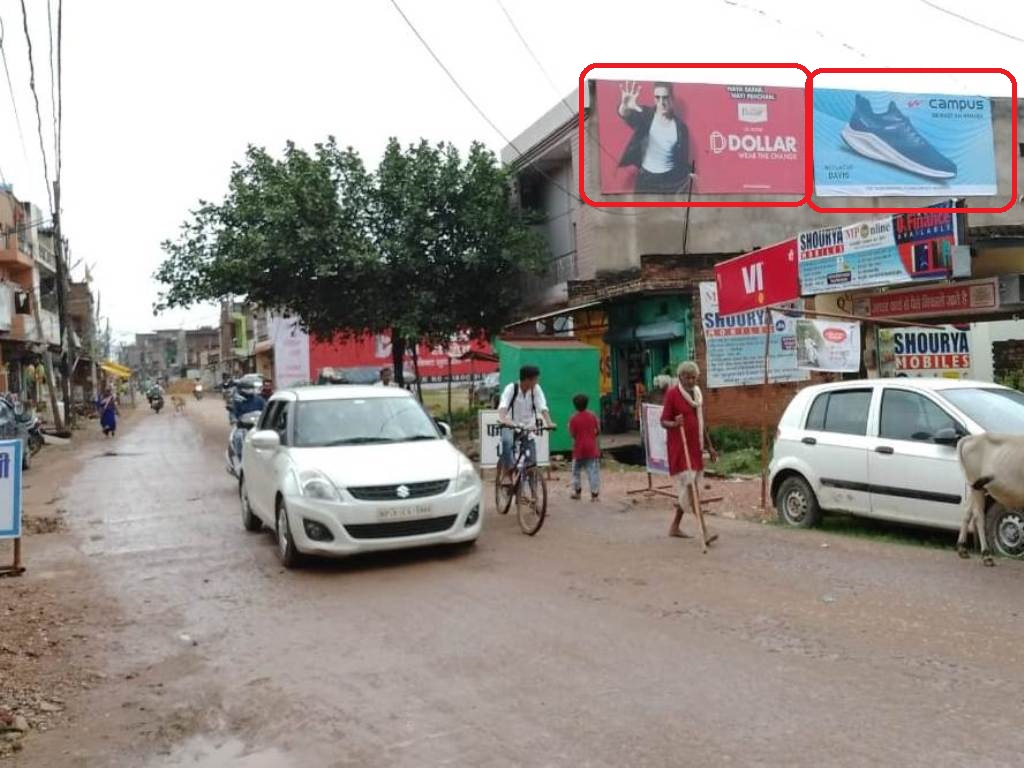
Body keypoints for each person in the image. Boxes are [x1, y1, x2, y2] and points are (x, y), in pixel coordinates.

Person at [660, 362, 719, 541]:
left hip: (695, 448)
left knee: (689, 489)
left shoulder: (697, 394)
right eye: (688, 377)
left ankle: (675, 526)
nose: (691, 380)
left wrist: (710, 446)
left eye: (694, 377)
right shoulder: (672, 394)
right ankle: (704, 530)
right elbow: (663, 421)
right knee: (692, 488)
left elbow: (701, 423)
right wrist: (675, 423)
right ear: (680, 378)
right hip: (680, 448)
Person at [617, 81, 692, 194]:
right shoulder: (645, 115)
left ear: (672, 98)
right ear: (654, 98)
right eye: (657, 97)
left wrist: (690, 174)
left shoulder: (681, 127)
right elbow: (627, 115)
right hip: (646, 179)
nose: (661, 102)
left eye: (665, 98)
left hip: (670, 181)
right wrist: (624, 106)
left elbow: (683, 158)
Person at [497, 365, 555, 485]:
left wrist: (549, 422)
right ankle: (508, 472)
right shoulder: (511, 388)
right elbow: (503, 405)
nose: (537, 382)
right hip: (510, 425)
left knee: (532, 461)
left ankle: (534, 495)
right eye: (535, 379)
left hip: (527, 427)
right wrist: (503, 419)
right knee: (507, 442)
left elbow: (542, 406)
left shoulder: (536, 389)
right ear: (528, 380)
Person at [569, 393, 600, 501]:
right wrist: (592, 436)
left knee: (575, 471)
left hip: (578, 449)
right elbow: (598, 430)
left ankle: (578, 492)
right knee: (592, 471)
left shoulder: (573, 419)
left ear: (575, 406)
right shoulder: (592, 416)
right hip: (591, 448)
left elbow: (572, 434)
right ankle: (594, 495)